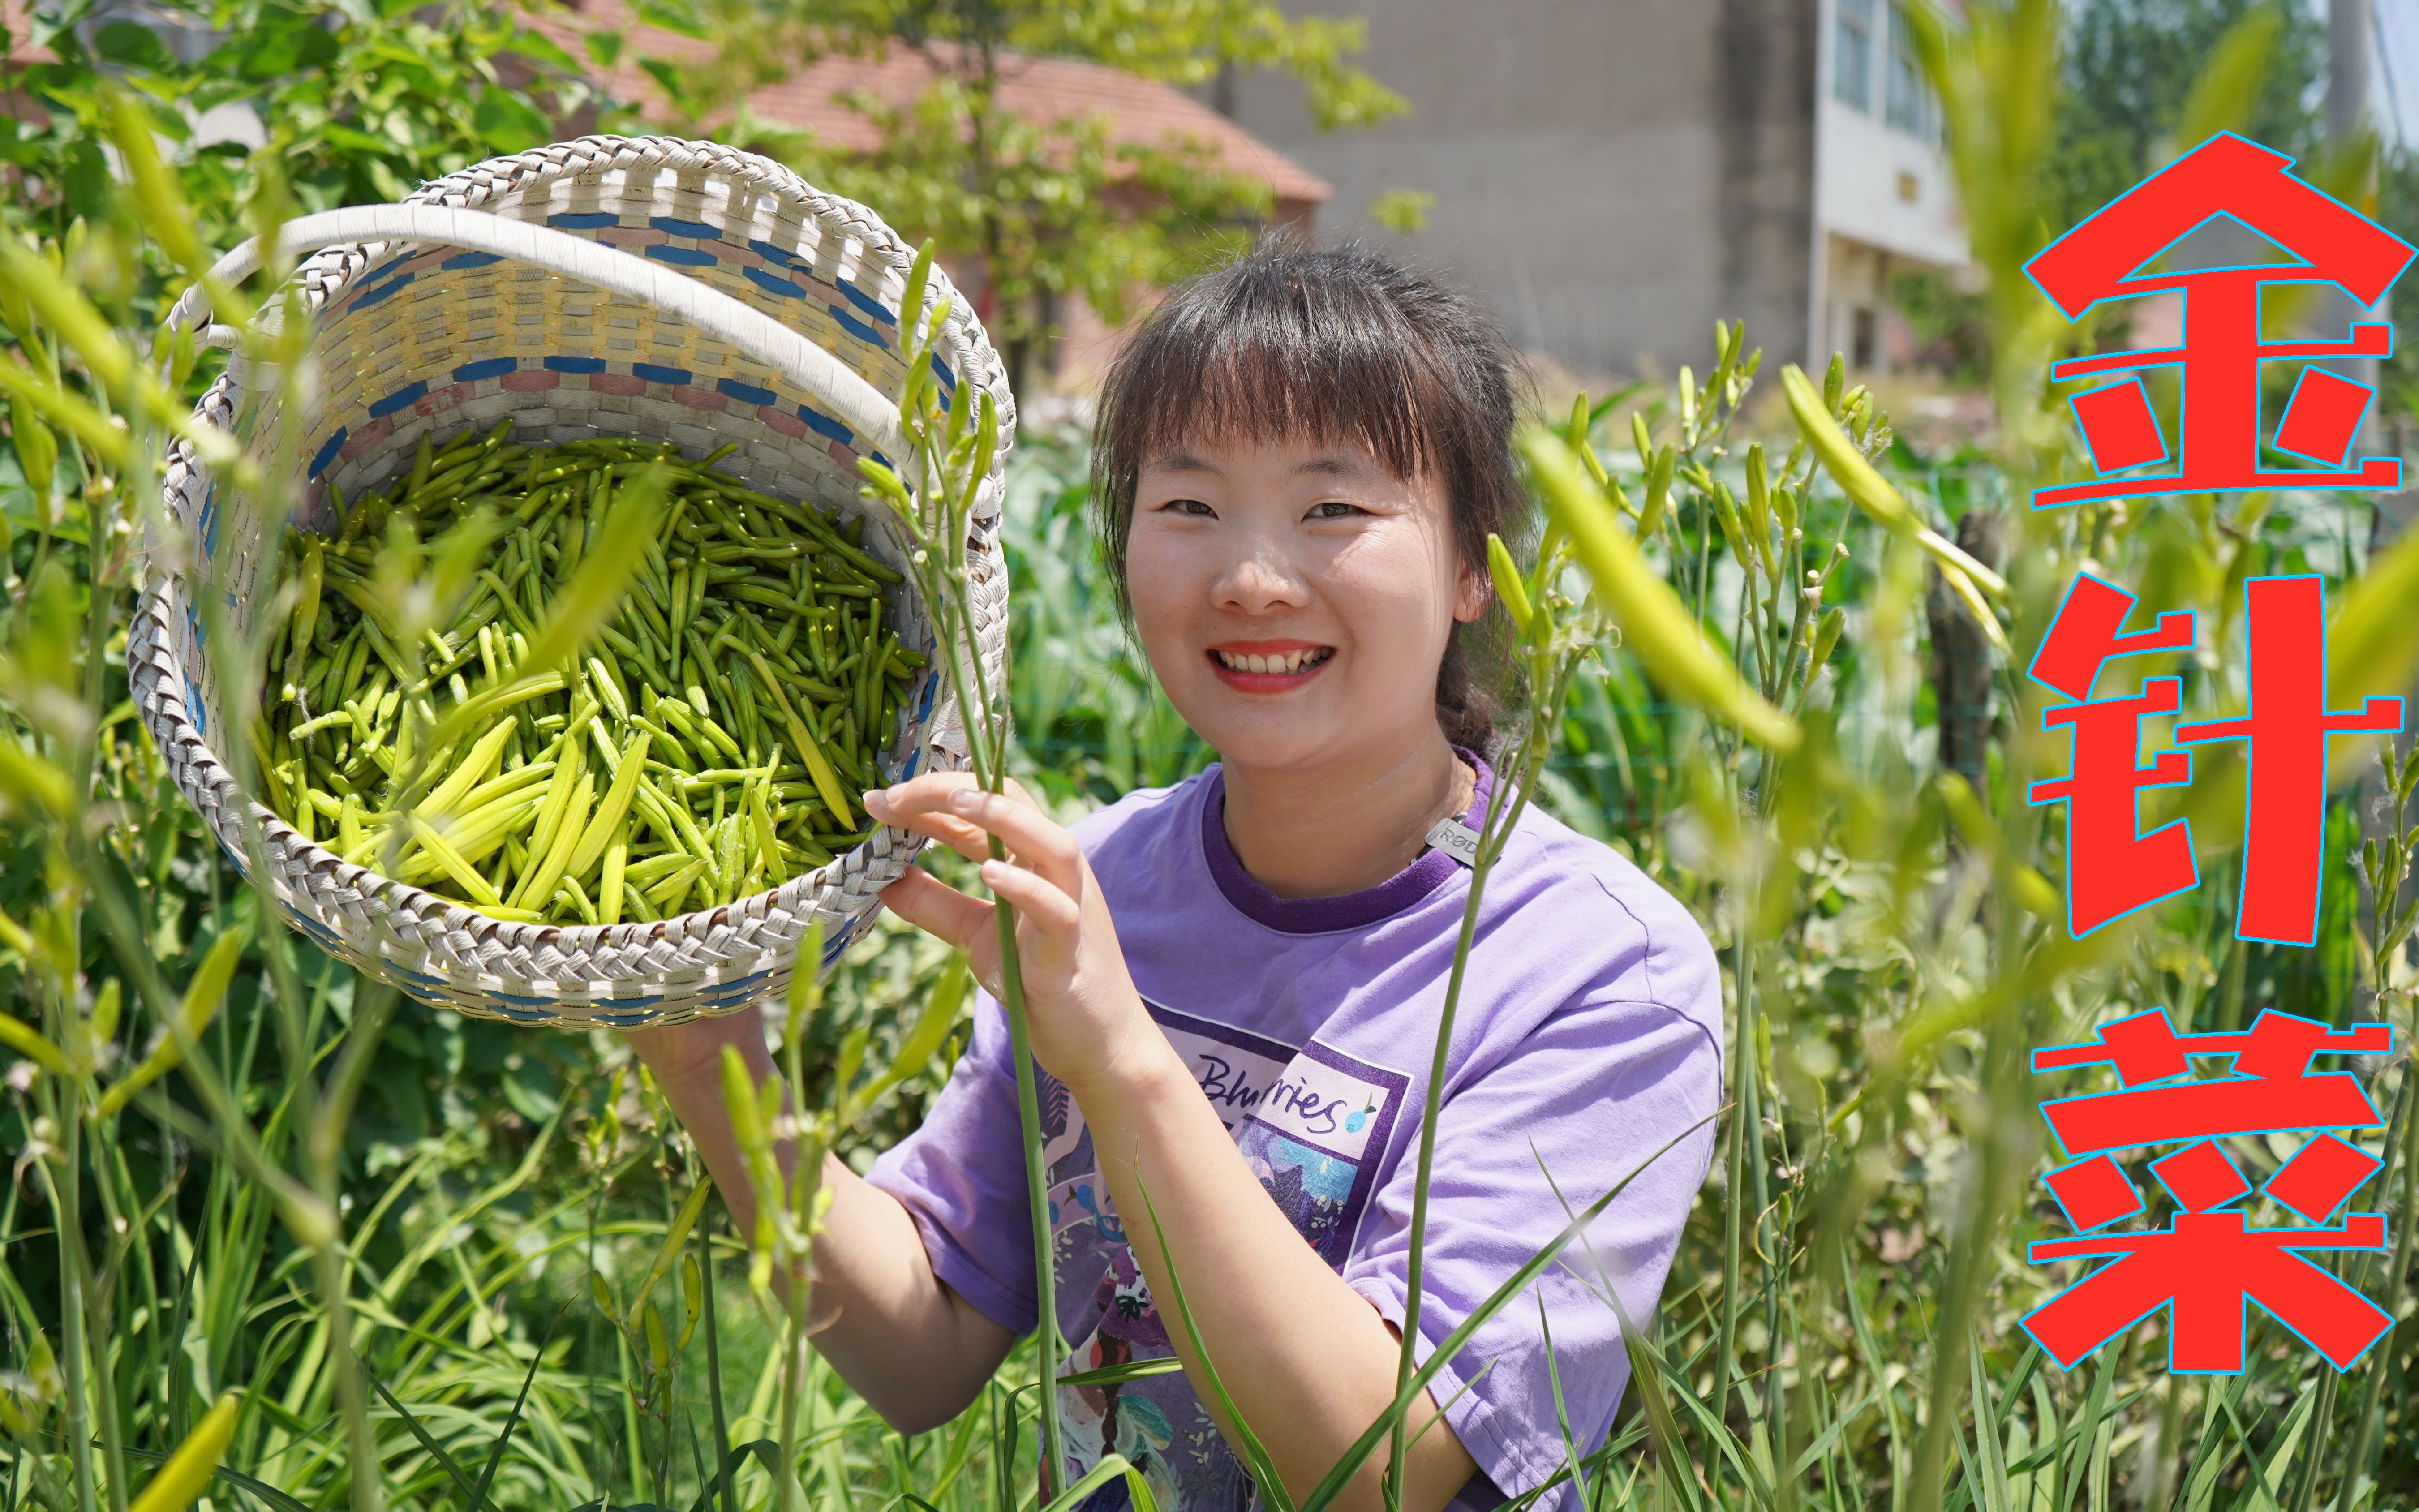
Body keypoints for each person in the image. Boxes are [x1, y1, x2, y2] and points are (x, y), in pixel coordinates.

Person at [629, 243, 1723, 1512]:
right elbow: (919, 1349)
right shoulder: (1112, 877)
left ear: (1477, 569)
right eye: (1189, 507)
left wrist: (1117, 1052)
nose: (1251, 579)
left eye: (1334, 510)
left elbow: (1385, 1471)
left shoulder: (1597, 972)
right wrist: (712, 1063)